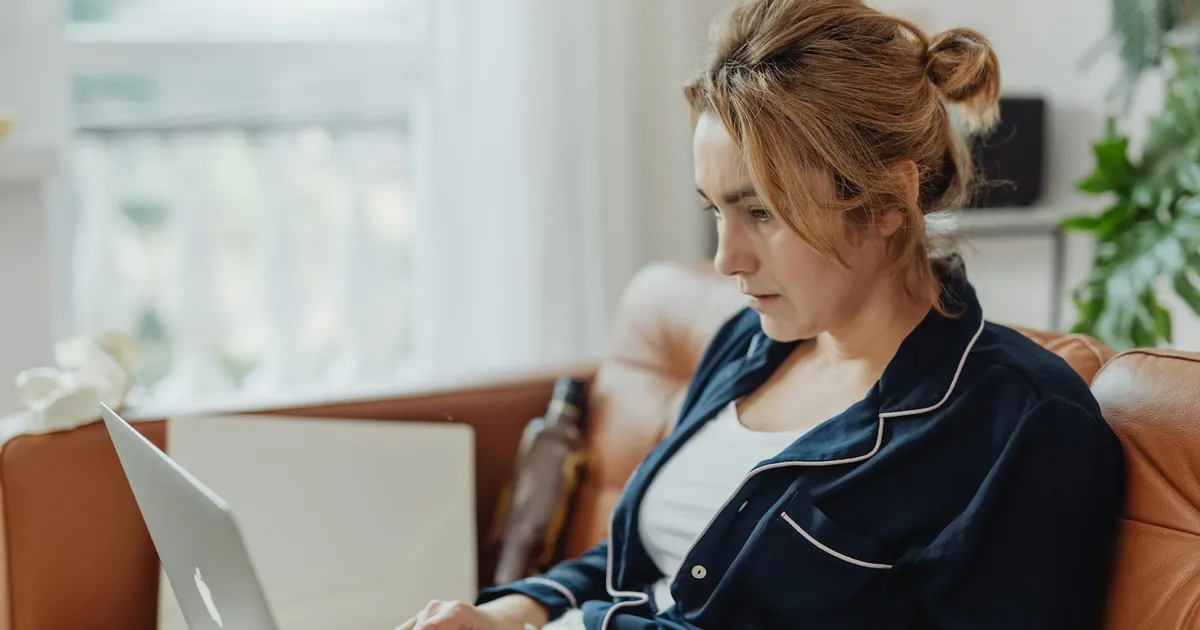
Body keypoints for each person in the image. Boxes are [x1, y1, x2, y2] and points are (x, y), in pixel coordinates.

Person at [396, 0, 1126, 628]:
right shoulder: (747, 345)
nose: (725, 259)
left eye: (761, 213)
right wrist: (507, 612)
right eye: (714, 211)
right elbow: (636, 567)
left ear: (884, 202)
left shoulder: (1017, 422)